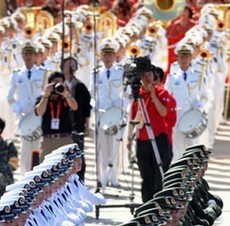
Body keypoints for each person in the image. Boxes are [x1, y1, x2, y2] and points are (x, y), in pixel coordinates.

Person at [129, 60, 175, 203]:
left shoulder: (162, 92)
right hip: (143, 139)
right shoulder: (138, 96)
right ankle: (147, 204)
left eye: (149, 74)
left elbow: (163, 113)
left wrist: (154, 96)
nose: (147, 78)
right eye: (143, 75)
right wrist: (129, 139)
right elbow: (134, 118)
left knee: (160, 174)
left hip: (159, 137)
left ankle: (160, 204)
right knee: (146, 175)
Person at [165, 40, 210, 161]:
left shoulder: (198, 75)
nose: (184, 59)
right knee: (177, 149)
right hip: (177, 117)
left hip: (192, 117)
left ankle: (192, 177)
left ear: (191, 58)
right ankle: (177, 177)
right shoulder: (172, 78)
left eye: (186, 56)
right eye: (181, 56)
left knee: (192, 149)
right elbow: (166, 98)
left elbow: (205, 96)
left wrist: (200, 107)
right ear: (177, 59)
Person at [7, 40, 46, 174]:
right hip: (23, 115)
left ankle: (37, 175)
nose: (28, 57)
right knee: (24, 148)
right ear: (22, 56)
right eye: (25, 53)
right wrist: (16, 107)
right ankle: (24, 176)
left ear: (35, 56)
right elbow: (10, 96)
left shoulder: (43, 73)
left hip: (38, 115)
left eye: (31, 53)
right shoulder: (16, 74)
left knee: (37, 147)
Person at [94, 38, 126, 188]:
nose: (107, 58)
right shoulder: (96, 73)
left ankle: (114, 176)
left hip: (116, 113)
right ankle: (102, 176)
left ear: (114, 56)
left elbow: (126, 93)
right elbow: (91, 93)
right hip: (101, 114)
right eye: (105, 55)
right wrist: (95, 107)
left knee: (115, 146)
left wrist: (122, 106)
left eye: (110, 55)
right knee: (102, 148)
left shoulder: (121, 72)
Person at [35, 70, 78, 161]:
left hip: (65, 138)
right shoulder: (43, 98)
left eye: (60, 82)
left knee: (66, 169)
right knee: (46, 171)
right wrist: (46, 95)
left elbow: (75, 107)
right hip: (48, 140)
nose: (57, 85)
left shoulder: (65, 98)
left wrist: (65, 94)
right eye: (55, 83)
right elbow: (39, 112)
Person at [61, 55, 91, 181]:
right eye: (68, 64)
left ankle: (79, 182)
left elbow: (86, 107)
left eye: (73, 64)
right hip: (61, 127)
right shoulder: (58, 85)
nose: (71, 67)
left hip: (77, 125)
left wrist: (87, 125)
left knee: (78, 157)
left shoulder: (80, 86)